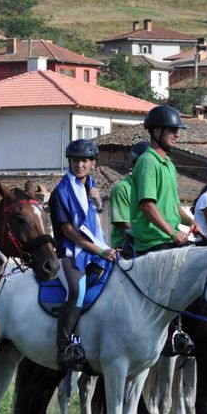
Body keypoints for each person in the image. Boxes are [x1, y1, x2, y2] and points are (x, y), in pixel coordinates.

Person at [48, 139, 116, 370]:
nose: (80, 165)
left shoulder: (91, 186)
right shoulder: (61, 192)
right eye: (76, 160)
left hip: (94, 250)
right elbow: (69, 231)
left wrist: (98, 202)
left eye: (85, 161)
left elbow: (94, 222)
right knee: (77, 291)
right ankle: (64, 347)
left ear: (93, 164)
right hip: (69, 253)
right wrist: (100, 250)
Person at [130, 105, 201, 254]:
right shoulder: (148, 161)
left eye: (177, 131)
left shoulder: (169, 165)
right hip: (153, 242)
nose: (177, 135)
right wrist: (173, 233)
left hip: (167, 239)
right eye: (172, 130)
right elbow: (147, 206)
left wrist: (191, 222)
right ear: (156, 131)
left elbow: (174, 207)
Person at [110, 140, 149, 247]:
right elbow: (124, 224)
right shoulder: (121, 188)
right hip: (127, 247)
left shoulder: (151, 187)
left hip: (148, 242)